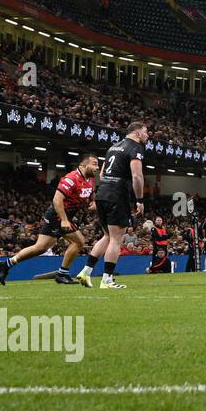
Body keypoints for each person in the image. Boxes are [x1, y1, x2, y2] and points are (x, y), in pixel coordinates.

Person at [0, 153, 99, 286]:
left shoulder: (90, 180)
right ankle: (62, 274)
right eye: (94, 164)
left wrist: (93, 202)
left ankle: (6, 264)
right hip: (58, 215)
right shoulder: (71, 178)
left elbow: (91, 193)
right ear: (83, 165)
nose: (97, 167)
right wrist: (64, 220)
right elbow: (57, 199)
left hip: (66, 215)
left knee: (40, 247)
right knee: (79, 242)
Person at [77, 121, 148, 290]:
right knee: (117, 239)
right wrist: (140, 200)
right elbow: (137, 176)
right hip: (117, 194)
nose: (147, 136)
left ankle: (86, 272)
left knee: (107, 236)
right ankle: (107, 280)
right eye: (146, 133)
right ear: (137, 134)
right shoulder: (136, 148)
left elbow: (101, 173)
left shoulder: (113, 147)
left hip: (103, 193)